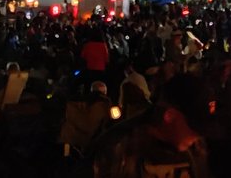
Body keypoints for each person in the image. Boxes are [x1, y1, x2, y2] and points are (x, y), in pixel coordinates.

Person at [84, 73, 212, 178]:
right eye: (194, 126)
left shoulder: (195, 146)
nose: (198, 134)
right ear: (170, 116)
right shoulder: (117, 147)